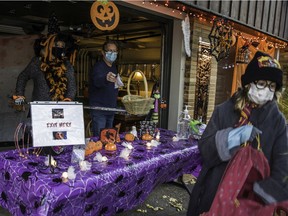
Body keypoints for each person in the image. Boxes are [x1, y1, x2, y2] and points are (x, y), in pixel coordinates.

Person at [187, 51, 288, 215]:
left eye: (272, 86)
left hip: (253, 204)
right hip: (214, 195)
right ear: (249, 84)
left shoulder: (278, 122)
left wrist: (258, 197)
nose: (266, 90)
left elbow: (283, 166)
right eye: (261, 83)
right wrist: (234, 136)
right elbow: (205, 149)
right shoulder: (224, 111)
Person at [89, 40, 123, 137]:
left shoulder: (113, 68)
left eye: (115, 51)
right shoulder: (98, 67)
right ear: (103, 52)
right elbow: (97, 81)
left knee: (108, 138)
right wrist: (105, 78)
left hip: (110, 109)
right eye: (110, 51)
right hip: (100, 110)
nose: (113, 54)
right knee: (100, 138)